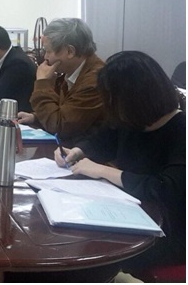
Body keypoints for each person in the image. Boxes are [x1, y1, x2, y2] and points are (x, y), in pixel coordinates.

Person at [55, 51, 185, 278]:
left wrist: (104, 171)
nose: (109, 107)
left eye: (112, 100)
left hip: (168, 231)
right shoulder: (132, 120)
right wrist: (77, 151)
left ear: (135, 99)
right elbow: (101, 141)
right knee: (71, 238)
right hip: (129, 213)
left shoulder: (180, 130)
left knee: (86, 254)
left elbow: (166, 189)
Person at [17, 18, 105, 144]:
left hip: (85, 152)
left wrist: (42, 83)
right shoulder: (71, 71)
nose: (45, 57)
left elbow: (60, 126)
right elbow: (64, 110)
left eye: (48, 51)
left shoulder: (95, 79)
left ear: (70, 51)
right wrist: (35, 117)